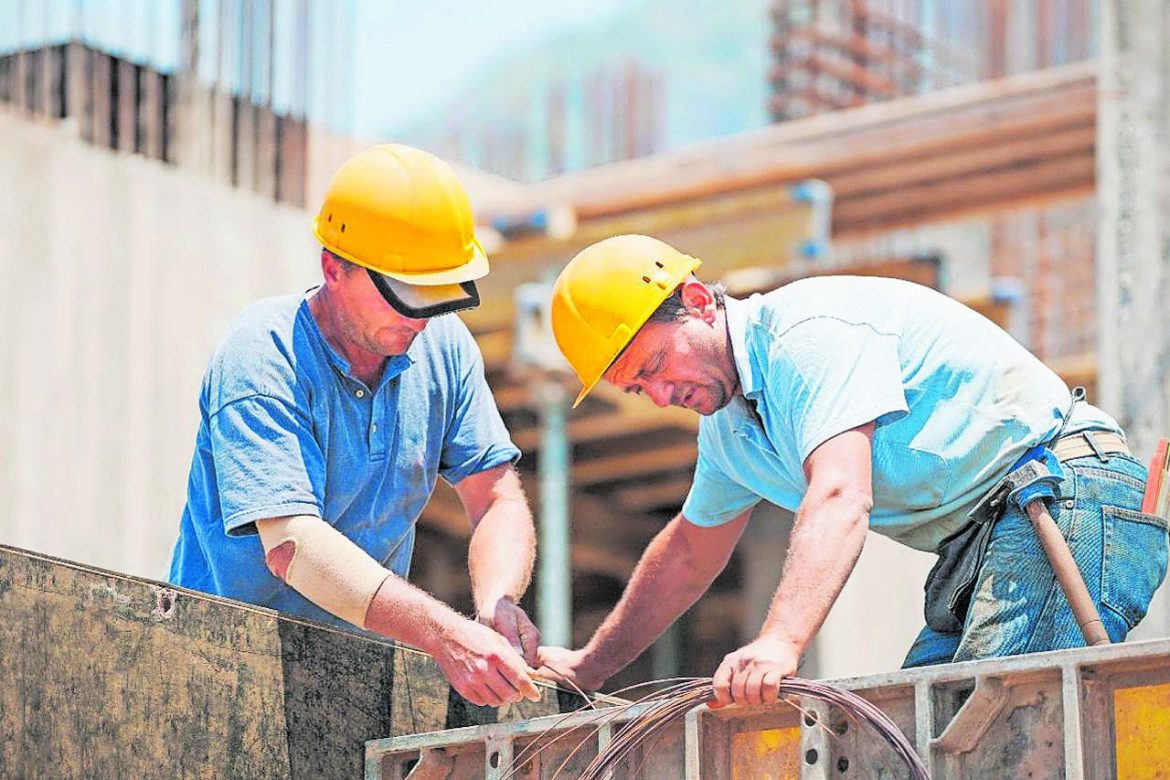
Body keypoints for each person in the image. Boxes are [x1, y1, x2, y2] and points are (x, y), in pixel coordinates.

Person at [536, 233, 1169, 708]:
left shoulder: (806, 336)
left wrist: (780, 641)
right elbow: (687, 554)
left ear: (698, 302)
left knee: (990, 732)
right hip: (991, 539)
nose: (659, 395)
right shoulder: (731, 432)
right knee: (915, 739)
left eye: (654, 366)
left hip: (1068, 496)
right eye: (637, 388)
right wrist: (592, 666)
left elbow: (841, 493)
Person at [168, 144, 541, 708]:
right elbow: (292, 545)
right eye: (405, 294)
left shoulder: (444, 348)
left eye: (437, 295)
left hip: (357, 676)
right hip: (219, 668)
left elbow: (495, 498)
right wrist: (445, 635)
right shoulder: (263, 353)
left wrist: (497, 604)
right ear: (333, 269)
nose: (421, 318)